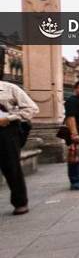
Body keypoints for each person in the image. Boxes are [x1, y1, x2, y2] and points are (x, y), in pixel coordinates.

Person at [0, 79, 39, 214]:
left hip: (5, 131)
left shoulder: (9, 88)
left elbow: (31, 108)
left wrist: (9, 118)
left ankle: (20, 202)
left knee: (11, 167)